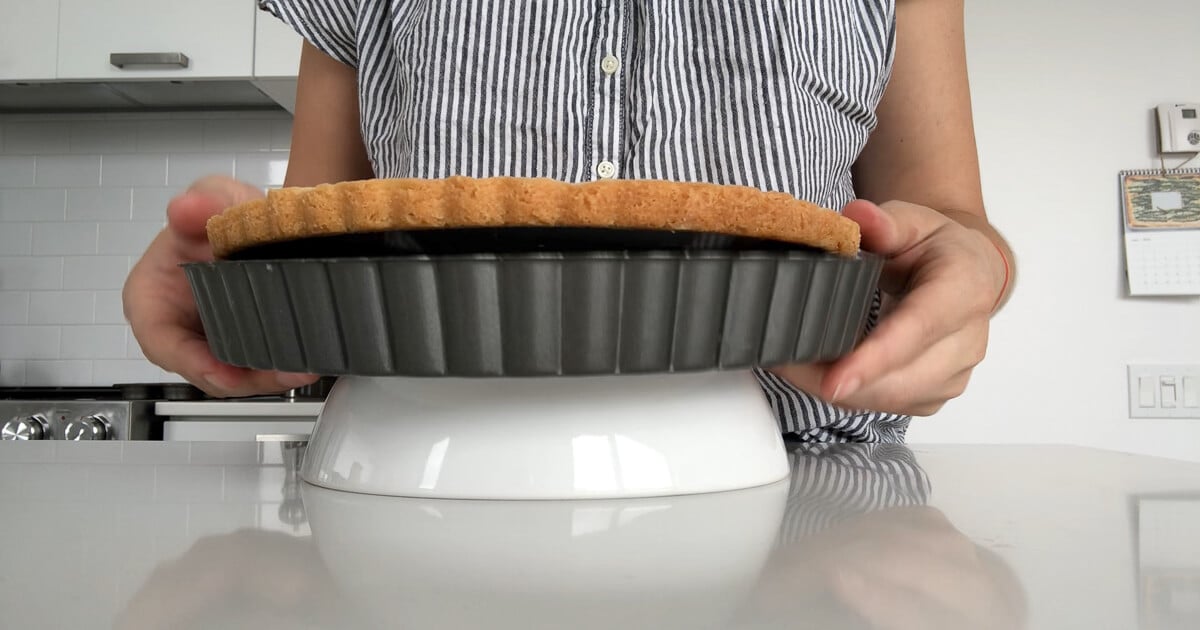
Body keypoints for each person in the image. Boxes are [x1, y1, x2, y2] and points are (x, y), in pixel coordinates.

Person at [124, 0, 1016, 443]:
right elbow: (327, 224)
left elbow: (951, 221)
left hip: (810, 487)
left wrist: (971, 267)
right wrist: (250, 280)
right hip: (419, 471)